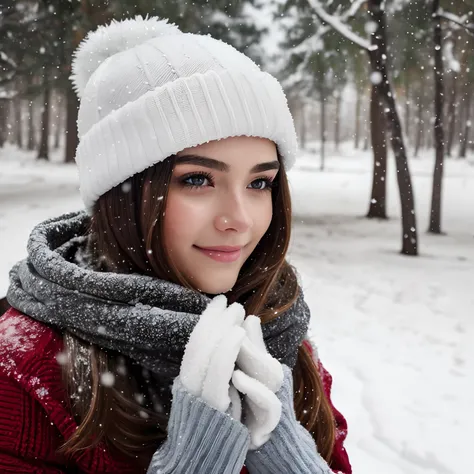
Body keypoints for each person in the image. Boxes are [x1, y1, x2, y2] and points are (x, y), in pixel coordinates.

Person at [0, 16, 352, 474]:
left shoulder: (277, 335)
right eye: (198, 179)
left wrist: (290, 458)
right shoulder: (22, 371)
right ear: (123, 193)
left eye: (260, 183)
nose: (239, 220)